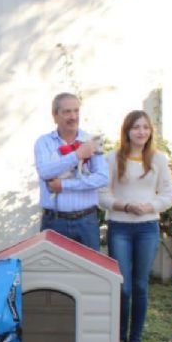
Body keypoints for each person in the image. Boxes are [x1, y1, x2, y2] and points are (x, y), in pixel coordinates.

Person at [99, 111, 172, 342]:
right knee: (123, 286)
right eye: (136, 127)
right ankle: (119, 336)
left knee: (141, 285)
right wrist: (125, 206)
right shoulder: (112, 158)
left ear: (150, 131)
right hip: (120, 226)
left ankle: (136, 339)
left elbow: (168, 194)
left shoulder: (158, 160)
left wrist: (149, 207)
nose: (141, 132)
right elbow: (102, 195)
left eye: (145, 127)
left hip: (147, 228)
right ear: (127, 131)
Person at [34, 93, 109, 250]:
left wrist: (65, 185)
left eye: (76, 111)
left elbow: (102, 178)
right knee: (53, 272)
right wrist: (77, 155)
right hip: (54, 221)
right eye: (67, 112)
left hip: (86, 222)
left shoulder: (91, 140)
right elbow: (45, 172)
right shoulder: (44, 142)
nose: (73, 116)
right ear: (55, 115)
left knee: (90, 271)